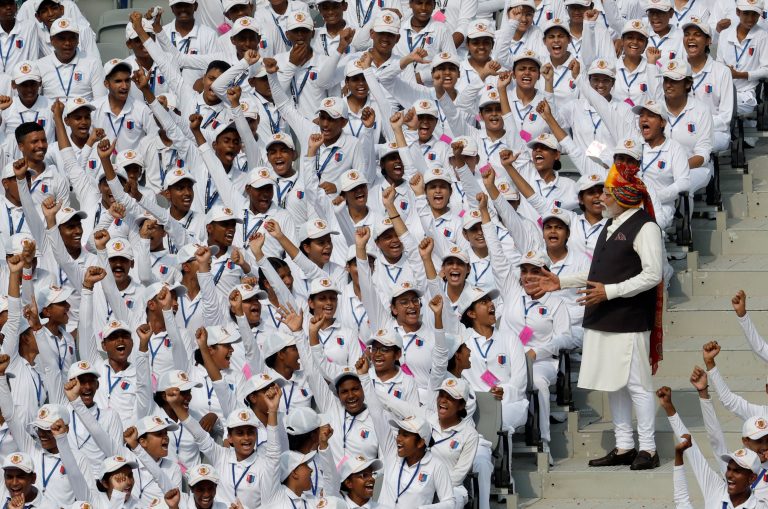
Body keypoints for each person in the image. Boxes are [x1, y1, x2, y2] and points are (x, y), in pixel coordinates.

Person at [533, 160, 664, 470]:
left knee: (637, 384)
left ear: (623, 195)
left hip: (629, 317)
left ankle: (648, 448)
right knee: (614, 383)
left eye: (608, 193)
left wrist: (610, 292)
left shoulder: (645, 226)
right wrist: (560, 282)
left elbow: (653, 275)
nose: (602, 199)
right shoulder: (611, 224)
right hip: (605, 316)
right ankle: (624, 446)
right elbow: (597, 273)